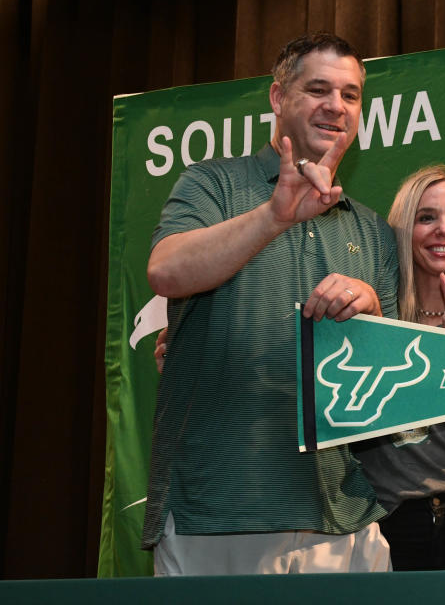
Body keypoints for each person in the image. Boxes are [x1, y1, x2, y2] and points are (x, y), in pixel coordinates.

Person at [142, 33, 399, 575]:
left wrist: (374, 308)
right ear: (278, 99)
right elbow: (166, 270)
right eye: (319, 89)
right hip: (216, 511)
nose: (337, 106)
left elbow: (394, 390)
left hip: (343, 516)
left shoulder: (373, 229)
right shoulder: (212, 182)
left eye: (351, 95)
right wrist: (274, 217)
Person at [351, 165, 445, 570]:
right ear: (403, 229)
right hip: (391, 527)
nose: (444, 230)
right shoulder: (368, 319)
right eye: (426, 217)